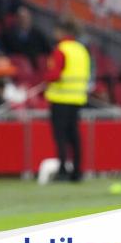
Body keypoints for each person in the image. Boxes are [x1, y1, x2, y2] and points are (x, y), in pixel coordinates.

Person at [44, 19, 91, 182]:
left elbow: (54, 74)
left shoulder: (61, 49)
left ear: (62, 32)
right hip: (77, 98)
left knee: (61, 137)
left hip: (60, 97)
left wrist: (46, 79)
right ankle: (77, 170)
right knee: (74, 136)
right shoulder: (82, 50)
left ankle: (63, 170)